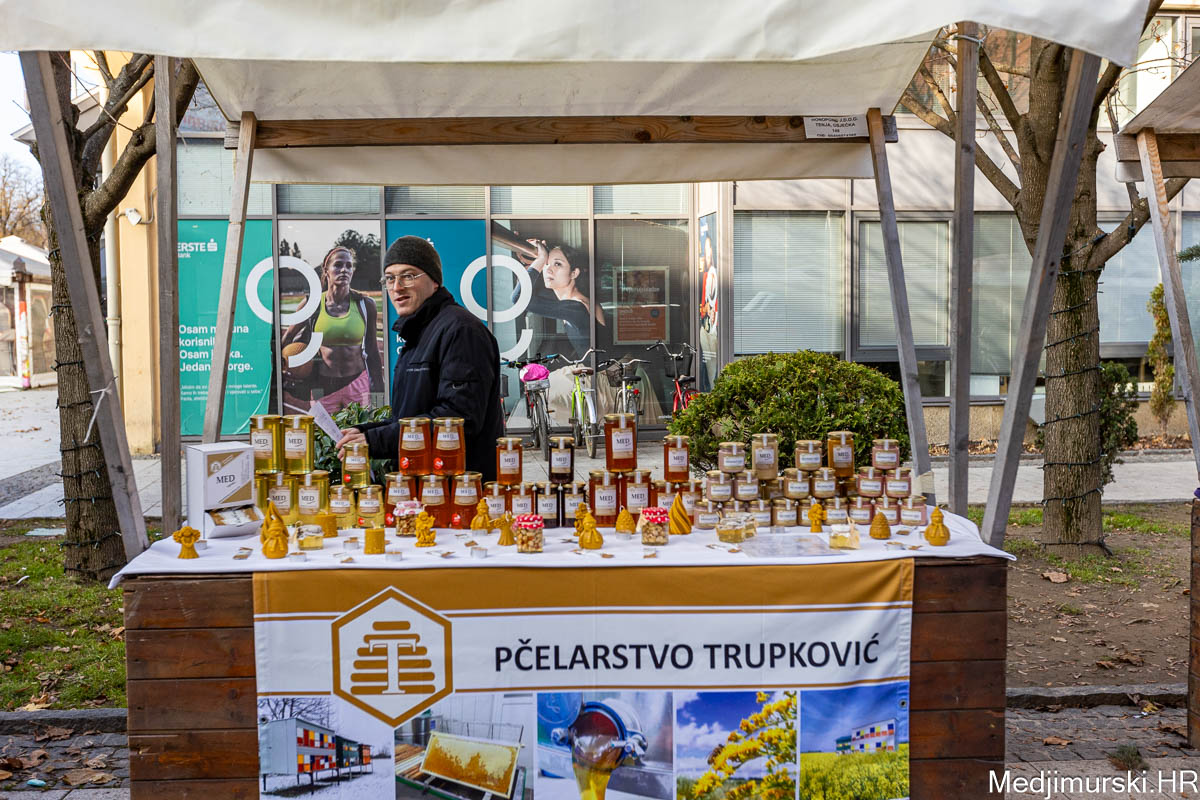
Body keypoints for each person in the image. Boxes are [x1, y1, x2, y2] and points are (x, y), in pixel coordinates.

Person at [336, 236, 504, 480]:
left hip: (457, 490)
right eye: (390, 278)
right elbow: (409, 417)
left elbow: (456, 419)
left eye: (408, 276)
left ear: (434, 281)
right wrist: (363, 432)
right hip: (423, 486)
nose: (397, 287)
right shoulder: (419, 333)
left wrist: (374, 440)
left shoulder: (461, 331)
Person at [281, 245, 384, 413]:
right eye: (338, 265)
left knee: (360, 429)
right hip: (321, 385)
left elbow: (372, 351)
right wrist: (284, 365)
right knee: (322, 429)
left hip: (357, 383)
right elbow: (288, 336)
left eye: (349, 266)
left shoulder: (365, 305)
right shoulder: (312, 304)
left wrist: (379, 393)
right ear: (326, 270)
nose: (344, 270)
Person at [514, 239, 605, 360]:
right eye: (546, 264)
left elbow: (519, 298)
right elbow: (526, 293)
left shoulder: (577, 307)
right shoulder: (570, 300)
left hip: (603, 370)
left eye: (557, 264)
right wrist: (534, 262)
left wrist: (541, 259)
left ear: (574, 273)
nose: (548, 270)